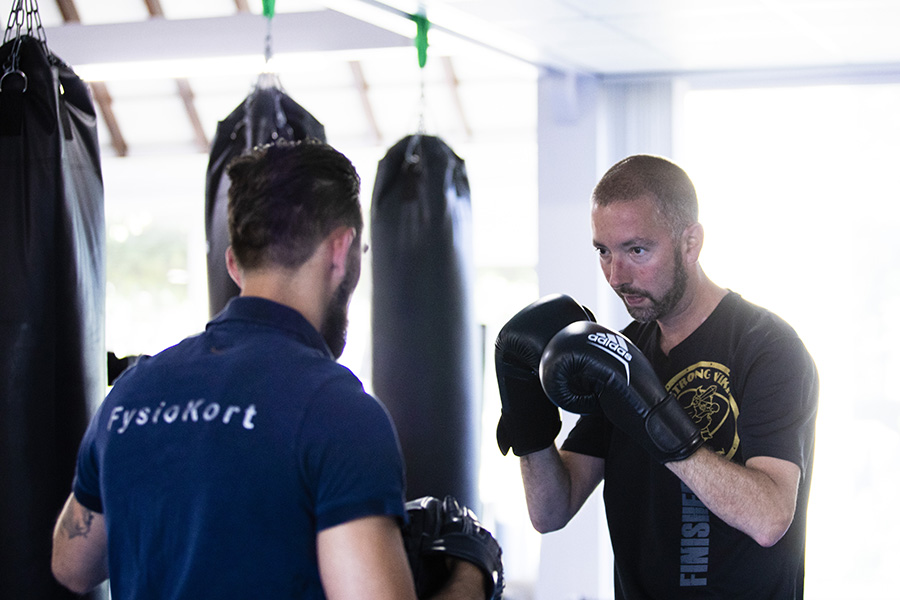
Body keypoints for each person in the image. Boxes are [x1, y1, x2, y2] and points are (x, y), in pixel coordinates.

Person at [51, 140, 496, 600]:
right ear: (342, 249)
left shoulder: (132, 394)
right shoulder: (338, 411)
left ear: (233, 264)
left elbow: (71, 565)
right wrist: (474, 572)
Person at [494, 154, 818, 599]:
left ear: (691, 243)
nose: (616, 276)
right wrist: (525, 413)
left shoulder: (766, 348)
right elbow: (551, 512)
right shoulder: (621, 353)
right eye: (603, 251)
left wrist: (654, 419)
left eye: (637, 250)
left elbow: (770, 518)